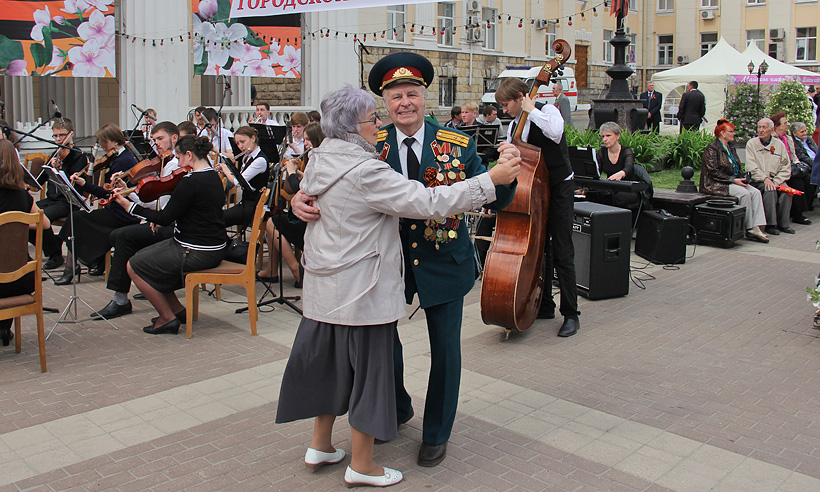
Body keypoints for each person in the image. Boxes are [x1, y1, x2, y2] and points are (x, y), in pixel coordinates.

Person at [276, 85, 520, 488]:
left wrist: (503, 175)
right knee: (377, 362)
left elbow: (494, 191)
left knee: (442, 352)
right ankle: (389, 420)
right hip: (377, 276)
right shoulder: (369, 153)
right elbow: (420, 201)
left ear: (425, 97)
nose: (402, 104)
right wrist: (297, 200)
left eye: (413, 93)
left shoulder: (454, 141)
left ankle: (434, 433)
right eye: (391, 99)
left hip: (439, 262)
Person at [112, 135, 227, 335]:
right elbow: (194, 211)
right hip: (213, 246)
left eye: (179, 158)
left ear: (189, 155)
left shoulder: (190, 182)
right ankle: (177, 310)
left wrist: (130, 206)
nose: (178, 164)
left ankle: (167, 318)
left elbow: (165, 217)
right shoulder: (214, 176)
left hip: (196, 250)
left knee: (134, 266)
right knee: (146, 258)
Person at [496, 77, 580, 336]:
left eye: (506, 104)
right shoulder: (514, 125)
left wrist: (531, 110)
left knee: (562, 249)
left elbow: (555, 133)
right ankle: (545, 304)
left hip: (559, 186)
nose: (503, 110)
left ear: (520, 98)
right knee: (540, 247)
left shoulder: (548, 110)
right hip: (534, 190)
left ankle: (571, 314)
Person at [90, 122, 182, 321]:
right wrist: (127, 192)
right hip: (161, 221)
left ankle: (121, 299)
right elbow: (153, 204)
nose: (156, 144)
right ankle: (123, 295)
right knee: (119, 235)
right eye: (154, 140)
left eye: (160, 139)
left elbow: (162, 208)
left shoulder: (176, 166)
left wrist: (134, 205)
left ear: (174, 138)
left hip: (173, 227)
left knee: (122, 236)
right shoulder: (165, 164)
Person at [56, 123, 139, 285]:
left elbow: (110, 195)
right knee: (78, 219)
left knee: (76, 219)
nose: (101, 145)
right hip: (117, 210)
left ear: (115, 141)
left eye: (103, 141)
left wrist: (84, 185)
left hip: (121, 214)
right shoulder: (120, 157)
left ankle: (72, 268)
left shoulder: (121, 162)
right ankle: (93, 261)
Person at [257, 122, 323, 285]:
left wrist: (292, 173)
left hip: (314, 221)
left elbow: (302, 189)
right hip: (310, 215)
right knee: (274, 221)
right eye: (305, 140)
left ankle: (295, 269)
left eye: (308, 140)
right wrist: (297, 172)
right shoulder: (314, 158)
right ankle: (272, 271)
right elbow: (302, 184)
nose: (305, 144)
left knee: (272, 223)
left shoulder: (319, 160)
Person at [0, 140, 51, 346]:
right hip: (23, 279)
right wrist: (17, 222)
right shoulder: (23, 196)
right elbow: (45, 224)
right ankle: (4, 327)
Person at [700, 119, 769, 243]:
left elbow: (736, 166)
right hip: (717, 184)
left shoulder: (731, 147)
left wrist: (743, 178)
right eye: (731, 131)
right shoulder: (712, 148)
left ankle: (756, 227)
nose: (734, 134)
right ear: (723, 133)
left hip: (732, 181)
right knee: (745, 194)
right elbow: (713, 171)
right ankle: (748, 227)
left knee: (755, 192)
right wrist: (733, 180)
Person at [35, 118, 88, 270]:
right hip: (51, 199)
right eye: (55, 136)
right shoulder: (55, 153)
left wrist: (59, 170)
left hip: (67, 201)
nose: (58, 139)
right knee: (25, 214)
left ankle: (55, 254)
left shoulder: (79, 156)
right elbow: (41, 180)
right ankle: (53, 244)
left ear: (71, 134)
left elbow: (73, 184)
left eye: (62, 135)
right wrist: (46, 170)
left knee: (41, 218)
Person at [746, 117, 793, 235]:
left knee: (787, 191)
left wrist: (777, 181)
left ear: (771, 129)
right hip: (759, 179)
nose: (761, 130)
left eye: (764, 127)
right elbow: (751, 166)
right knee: (770, 190)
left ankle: (783, 224)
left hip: (776, 179)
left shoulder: (779, 144)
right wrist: (765, 179)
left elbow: (786, 166)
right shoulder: (752, 143)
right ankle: (771, 224)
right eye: (759, 127)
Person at [217, 126, 270, 229]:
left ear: (253, 138)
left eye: (243, 142)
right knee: (216, 217)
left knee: (218, 219)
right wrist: (227, 170)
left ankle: (222, 239)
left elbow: (238, 182)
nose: (240, 146)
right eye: (237, 143)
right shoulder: (246, 156)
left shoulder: (260, 160)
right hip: (245, 203)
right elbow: (240, 176)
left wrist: (226, 170)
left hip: (253, 207)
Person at [769, 111, 811, 225]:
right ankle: (797, 215)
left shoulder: (787, 138)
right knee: (798, 183)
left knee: (807, 178)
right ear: (777, 126)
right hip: (780, 170)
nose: (787, 125)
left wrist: (798, 166)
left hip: (791, 167)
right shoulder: (773, 139)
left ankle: (803, 209)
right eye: (785, 123)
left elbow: (793, 156)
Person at [594, 122, 641, 208]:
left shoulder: (626, 151)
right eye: (603, 136)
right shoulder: (602, 152)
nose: (605, 139)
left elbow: (629, 167)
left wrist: (621, 173)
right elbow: (597, 171)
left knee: (616, 197)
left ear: (617, 136)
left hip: (627, 189)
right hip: (611, 188)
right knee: (595, 193)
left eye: (608, 136)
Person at [792, 121, 817, 212]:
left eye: (805, 131)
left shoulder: (808, 139)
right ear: (795, 133)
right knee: (809, 179)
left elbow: (816, 150)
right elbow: (802, 157)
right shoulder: (794, 142)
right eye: (802, 132)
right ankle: (808, 205)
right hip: (807, 166)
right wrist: (815, 164)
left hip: (816, 163)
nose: (805, 133)